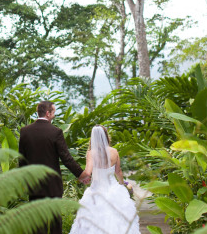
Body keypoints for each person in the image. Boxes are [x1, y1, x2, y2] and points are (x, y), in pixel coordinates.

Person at [19, 100, 90, 234]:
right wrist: (81, 175)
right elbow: (66, 158)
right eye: (53, 113)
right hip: (52, 185)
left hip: (34, 184)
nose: (54, 115)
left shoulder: (25, 131)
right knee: (55, 222)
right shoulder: (55, 132)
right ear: (47, 113)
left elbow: (21, 160)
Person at [69, 125, 140, 234]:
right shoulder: (114, 152)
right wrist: (122, 185)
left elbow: (88, 172)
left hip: (96, 190)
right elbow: (118, 172)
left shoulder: (91, 153)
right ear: (106, 135)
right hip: (113, 189)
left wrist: (82, 178)